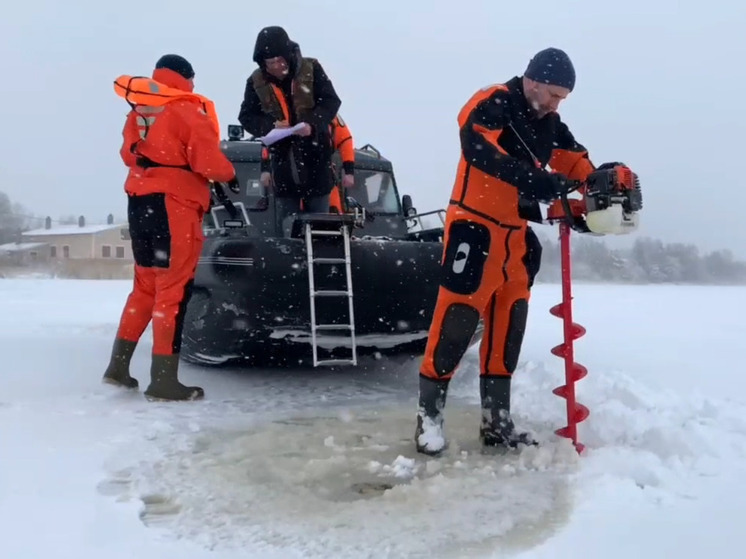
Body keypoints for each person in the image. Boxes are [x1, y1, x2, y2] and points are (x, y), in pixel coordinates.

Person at [415, 47, 601, 455]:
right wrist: (534, 179)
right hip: (475, 226)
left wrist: (601, 182)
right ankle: (429, 420)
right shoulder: (494, 100)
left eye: (563, 98)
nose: (556, 104)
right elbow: (478, 149)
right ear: (532, 81)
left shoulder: (549, 123)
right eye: (553, 94)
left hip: (515, 236)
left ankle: (496, 423)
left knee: (508, 327)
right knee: (456, 322)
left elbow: (574, 161)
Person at [103, 54, 239, 401]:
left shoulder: (139, 111)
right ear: (184, 78)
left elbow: (126, 155)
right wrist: (229, 173)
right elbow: (208, 162)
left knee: (144, 288)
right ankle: (163, 381)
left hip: (140, 202)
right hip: (174, 205)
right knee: (172, 291)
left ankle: (117, 368)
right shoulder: (187, 110)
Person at [238, 26, 341, 230]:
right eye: (270, 63)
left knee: (320, 226)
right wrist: (269, 126)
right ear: (262, 62)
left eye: (280, 60)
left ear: (288, 56)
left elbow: (331, 101)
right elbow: (246, 116)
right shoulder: (255, 81)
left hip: (316, 159)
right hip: (283, 163)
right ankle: (291, 256)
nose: (276, 66)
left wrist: (312, 124)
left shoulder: (312, 69)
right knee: (287, 226)